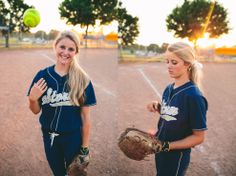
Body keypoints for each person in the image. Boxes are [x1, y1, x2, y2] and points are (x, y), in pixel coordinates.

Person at [27, 30, 96, 176]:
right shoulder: (43, 76)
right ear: (55, 47)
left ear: (76, 52)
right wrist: (32, 99)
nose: (65, 52)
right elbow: (35, 110)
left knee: (74, 173)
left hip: (73, 138)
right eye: (62, 47)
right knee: (58, 173)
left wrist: (84, 148)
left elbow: (85, 118)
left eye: (71, 49)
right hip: (49, 137)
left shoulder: (82, 80)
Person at [147, 42, 208, 176]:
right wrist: (157, 106)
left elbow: (198, 137)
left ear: (187, 64)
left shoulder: (194, 97)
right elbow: (175, 113)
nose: (168, 66)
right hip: (161, 150)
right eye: (167, 61)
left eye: (174, 62)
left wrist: (167, 146)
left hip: (176, 157)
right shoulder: (169, 88)